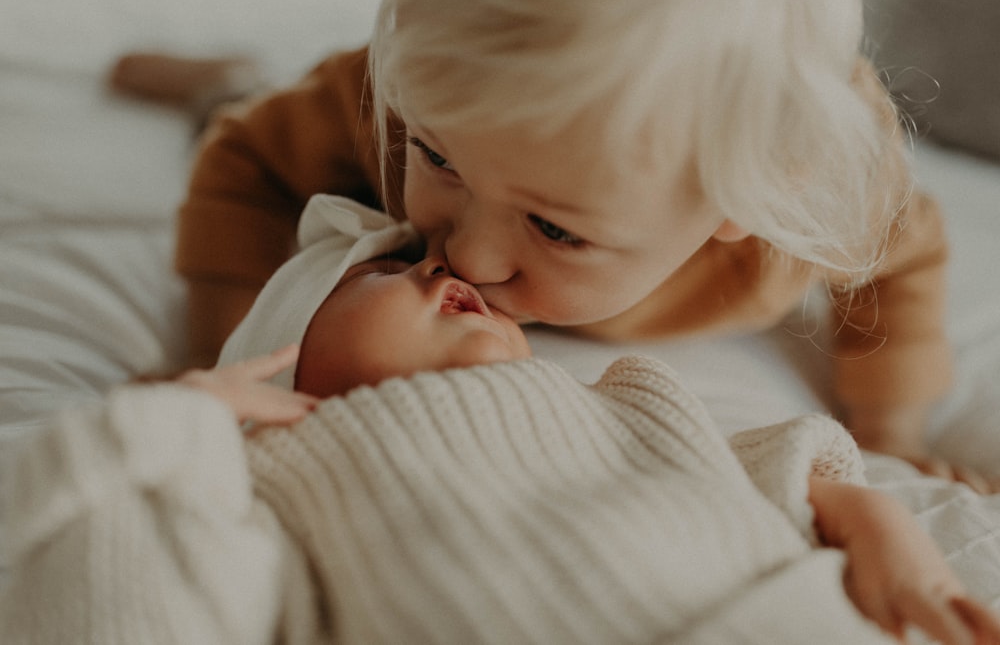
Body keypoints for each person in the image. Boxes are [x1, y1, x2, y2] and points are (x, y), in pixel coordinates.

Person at [2, 195, 999, 644]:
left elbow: (792, 473)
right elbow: (146, 597)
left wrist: (884, 530)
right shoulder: (271, 470)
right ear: (283, 357)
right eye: (391, 270)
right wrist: (170, 430)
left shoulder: (622, 396)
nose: (447, 267)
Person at [126, 0, 977, 487]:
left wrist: (890, 429)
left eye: (554, 229)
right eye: (442, 163)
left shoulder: (813, 182)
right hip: (358, 111)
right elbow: (247, 164)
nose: (470, 253)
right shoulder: (426, 105)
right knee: (246, 116)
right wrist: (229, 362)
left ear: (741, 206)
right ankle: (222, 76)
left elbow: (906, 254)